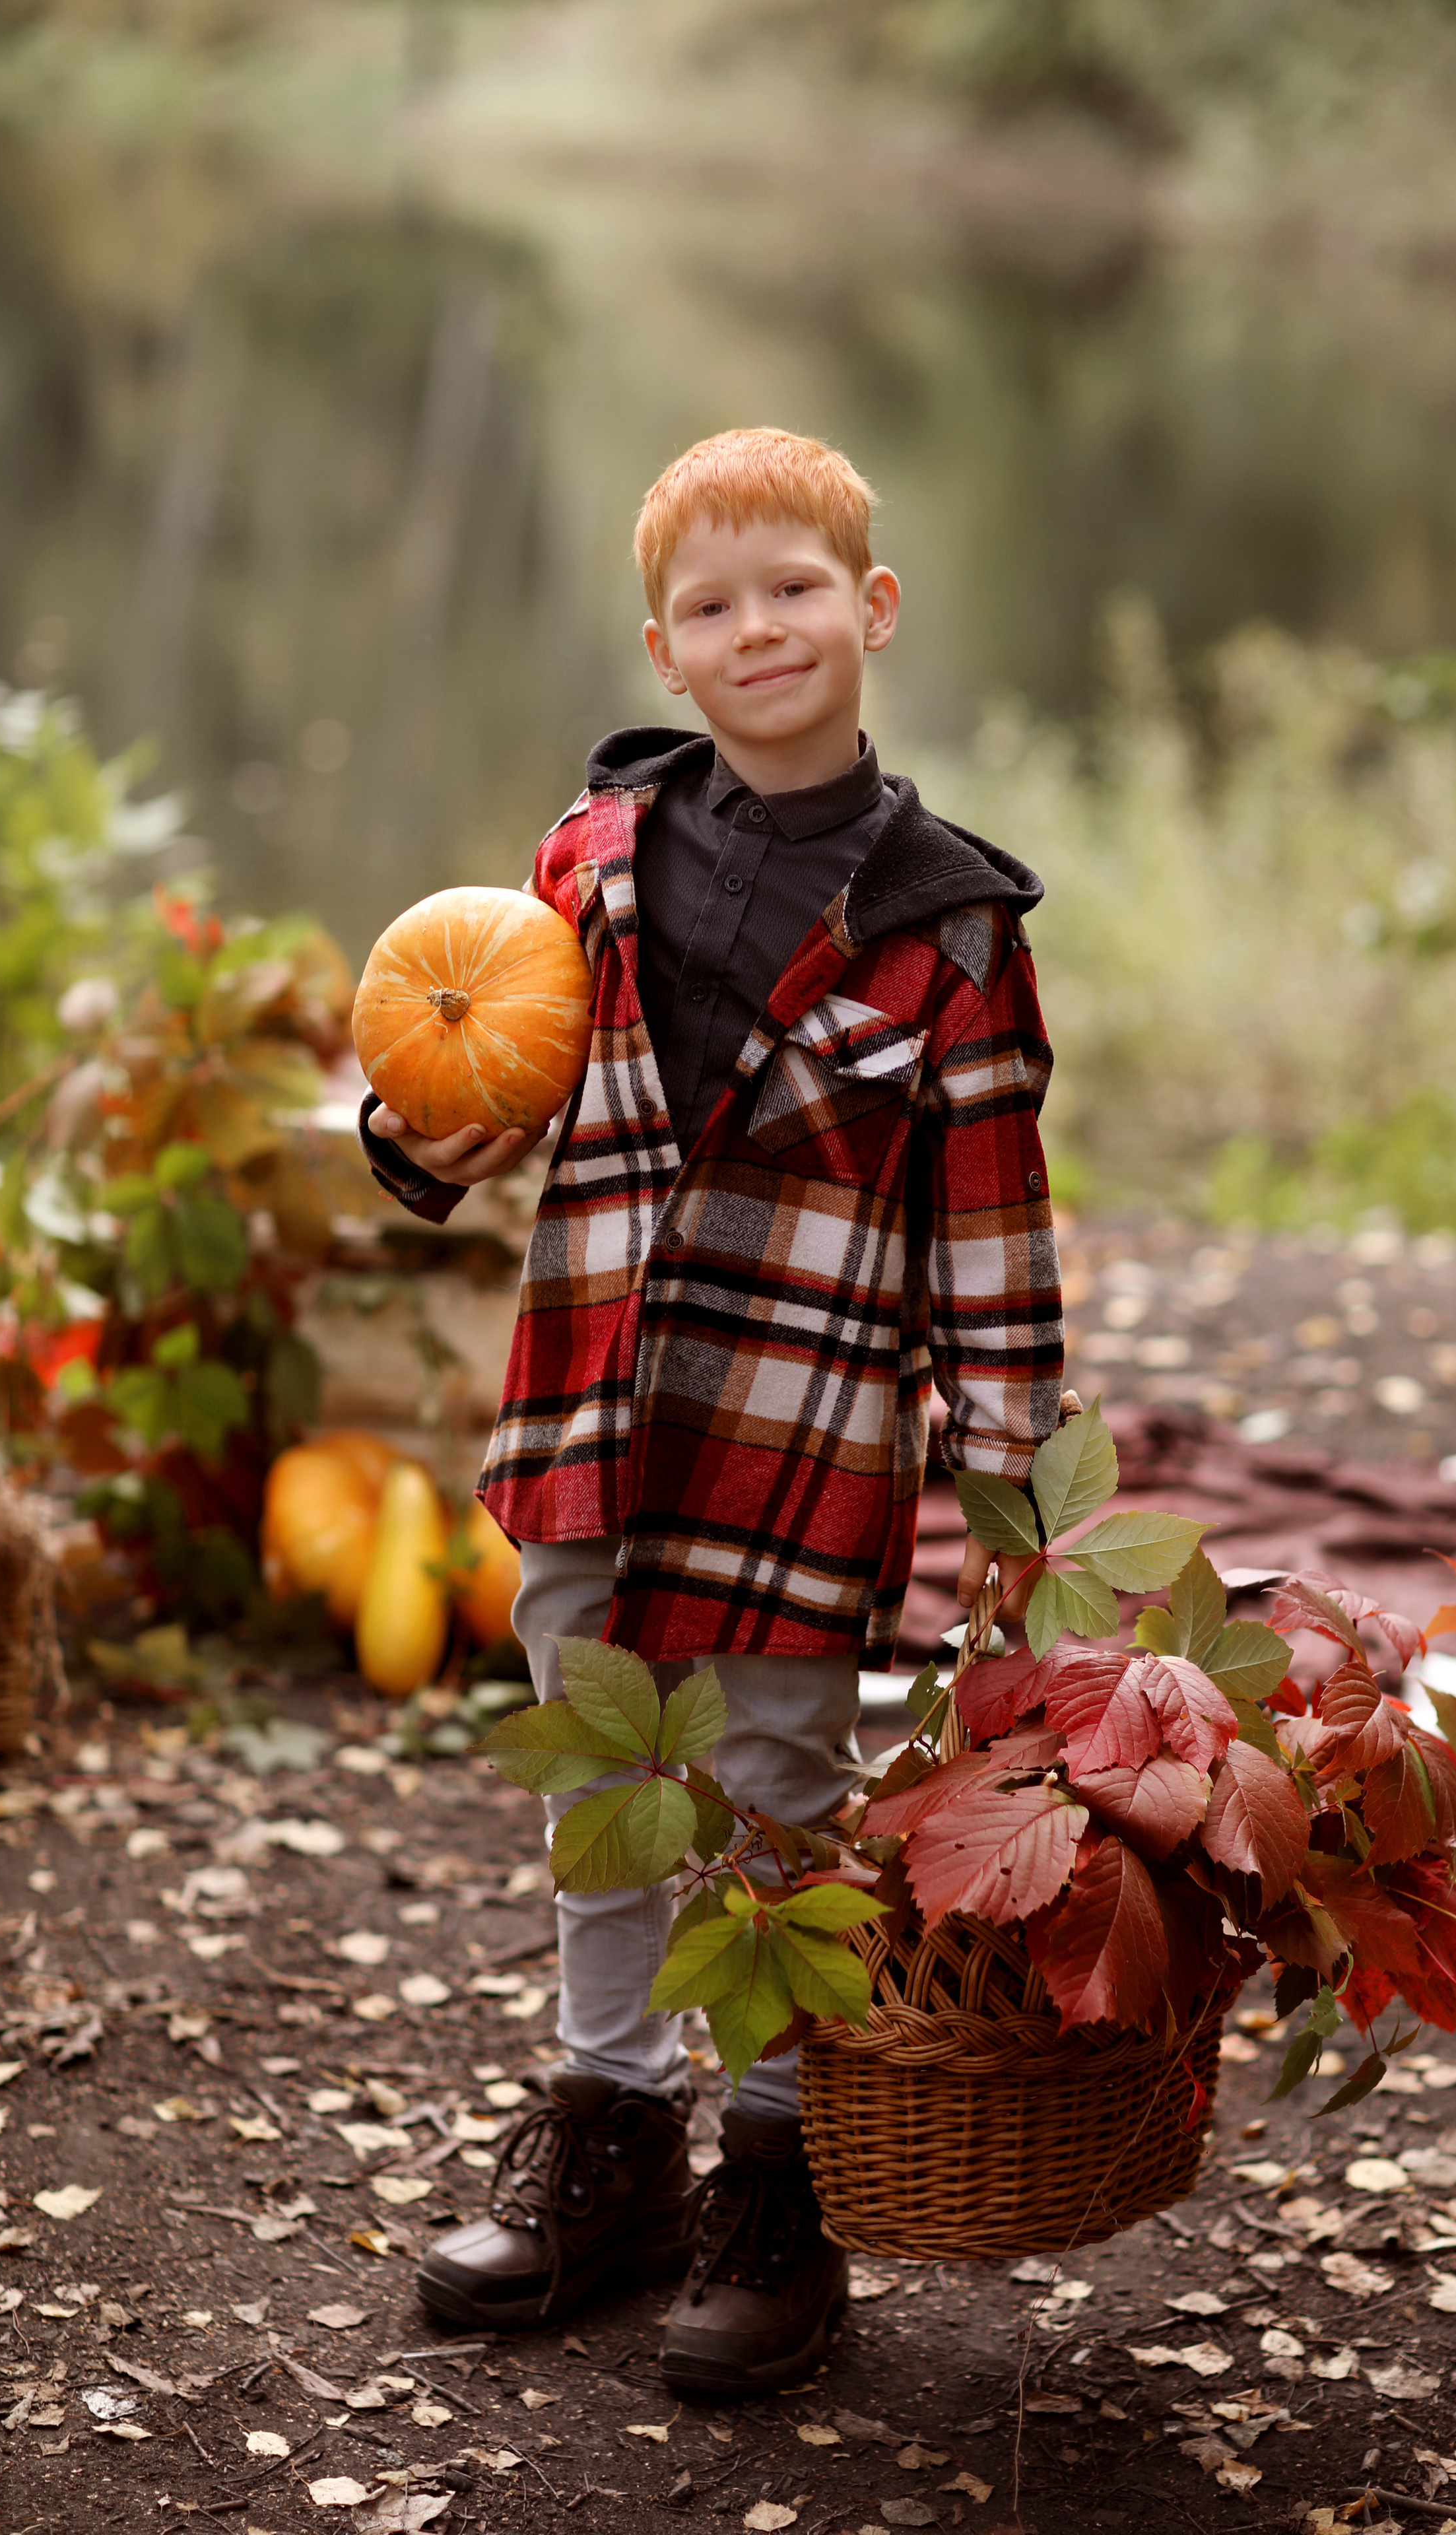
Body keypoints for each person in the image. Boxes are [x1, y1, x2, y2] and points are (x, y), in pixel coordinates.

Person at [361, 426, 1065, 2392]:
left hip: (800, 1432)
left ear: (875, 610)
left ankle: (775, 2172)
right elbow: (500, 1103)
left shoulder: (950, 933)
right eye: (712, 604)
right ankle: (608, 2142)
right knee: (600, 1782)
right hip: (590, 1406)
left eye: (796, 589)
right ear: (661, 653)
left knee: (771, 1799)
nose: (758, 628)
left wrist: (1009, 1500)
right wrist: (406, 1132)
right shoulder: (586, 865)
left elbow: (990, 1237)